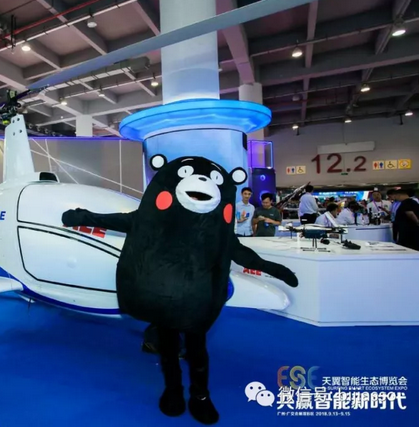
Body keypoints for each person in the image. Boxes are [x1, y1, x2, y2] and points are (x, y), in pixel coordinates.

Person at [61, 156, 298, 424]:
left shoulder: (216, 230)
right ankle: (173, 390)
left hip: (197, 304)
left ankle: (200, 396)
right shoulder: (151, 218)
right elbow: (112, 220)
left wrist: (275, 269)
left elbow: (243, 254)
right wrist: (79, 216)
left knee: (197, 352)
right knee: (169, 350)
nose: (199, 187)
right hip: (163, 301)